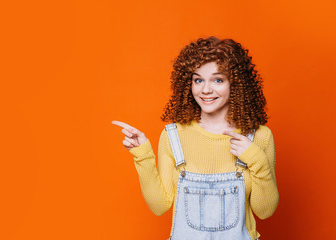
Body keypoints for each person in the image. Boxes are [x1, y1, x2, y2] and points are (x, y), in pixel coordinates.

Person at [112, 36, 279, 240]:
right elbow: (159, 206)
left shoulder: (259, 136)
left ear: (235, 84)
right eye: (198, 80)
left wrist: (255, 158)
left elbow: (265, 211)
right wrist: (143, 155)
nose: (205, 90)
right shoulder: (173, 136)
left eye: (218, 80)